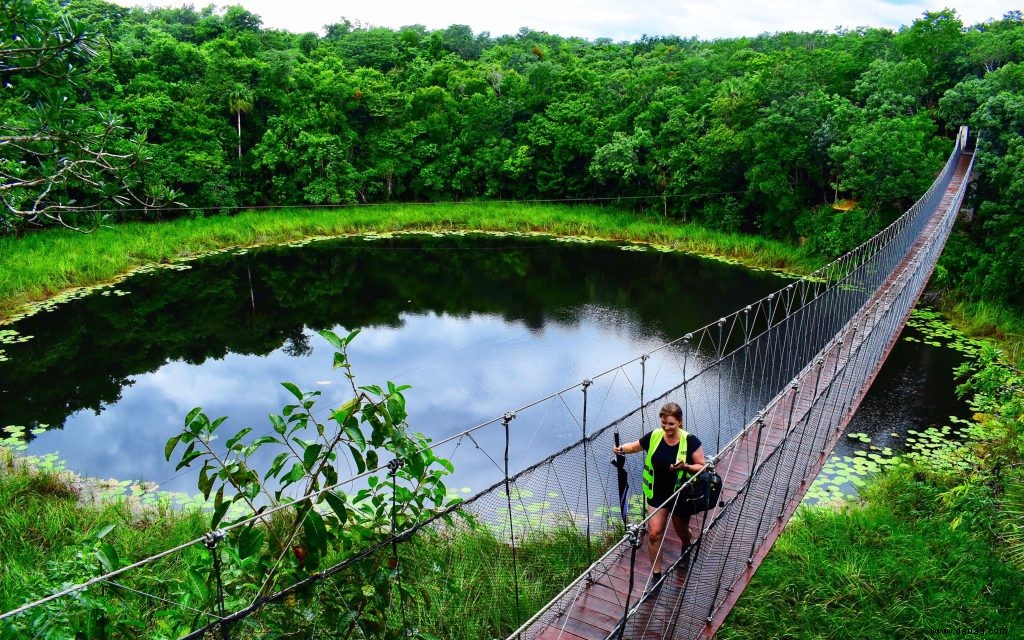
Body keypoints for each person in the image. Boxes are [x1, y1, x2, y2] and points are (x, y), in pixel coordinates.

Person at [612, 402, 705, 591]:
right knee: (654, 534)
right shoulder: (655, 436)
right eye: (663, 423)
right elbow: (636, 446)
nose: (666, 427)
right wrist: (622, 449)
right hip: (657, 493)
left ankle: (686, 545)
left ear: (679, 422)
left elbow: (702, 466)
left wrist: (685, 466)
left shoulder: (690, 441)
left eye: (671, 424)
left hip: (680, 493)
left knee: (681, 531)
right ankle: (656, 576)